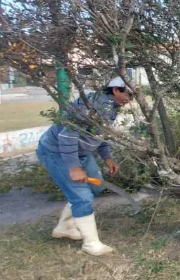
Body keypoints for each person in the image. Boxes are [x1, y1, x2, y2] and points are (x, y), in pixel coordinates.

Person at [36, 76, 133, 256]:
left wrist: (107, 157)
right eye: (129, 94)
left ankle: (66, 225)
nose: (131, 99)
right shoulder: (92, 106)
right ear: (115, 90)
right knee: (82, 197)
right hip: (56, 152)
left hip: (80, 152)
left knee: (95, 186)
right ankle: (91, 244)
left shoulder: (110, 106)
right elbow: (67, 137)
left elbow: (100, 132)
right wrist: (73, 167)